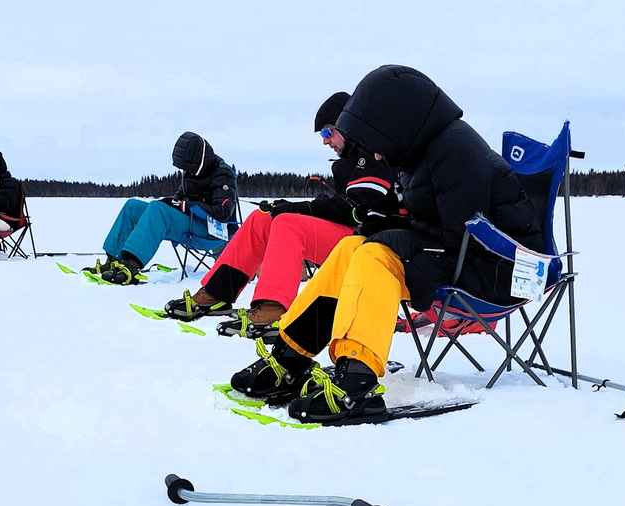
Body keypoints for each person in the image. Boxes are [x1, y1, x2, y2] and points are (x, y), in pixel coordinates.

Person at [227, 65, 546, 424]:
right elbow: (436, 226)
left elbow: (463, 234)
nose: (376, 152)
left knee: (375, 257)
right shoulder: (427, 151)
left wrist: (393, 233)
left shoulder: (457, 151)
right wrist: (388, 225)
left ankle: (357, 378)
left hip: (500, 271)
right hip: (465, 255)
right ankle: (291, 356)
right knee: (351, 248)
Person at [162, 92, 401, 328]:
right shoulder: (350, 161)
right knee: (262, 218)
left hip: (371, 245)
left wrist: (299, 208)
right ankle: (216, 293)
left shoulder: (375, 155)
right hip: (348, 236)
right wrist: (290, 207)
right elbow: (341, 205)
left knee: (287, 224)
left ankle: (273, 307)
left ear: (348, 125)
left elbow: (354, 208)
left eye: (328, 133)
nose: (325, 141)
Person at [88, 132, 237, 285]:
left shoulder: (223, 174)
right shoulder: (194, 170)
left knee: (158, 210)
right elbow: (180, 196)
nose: (185, 170)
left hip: (212, 232)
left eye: (186, 167)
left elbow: (223, 213)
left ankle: (131, 265)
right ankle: (113, 260)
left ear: (197, 160)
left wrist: (188, 206)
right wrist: (173, 202)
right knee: (132, 207)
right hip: (191, 221)